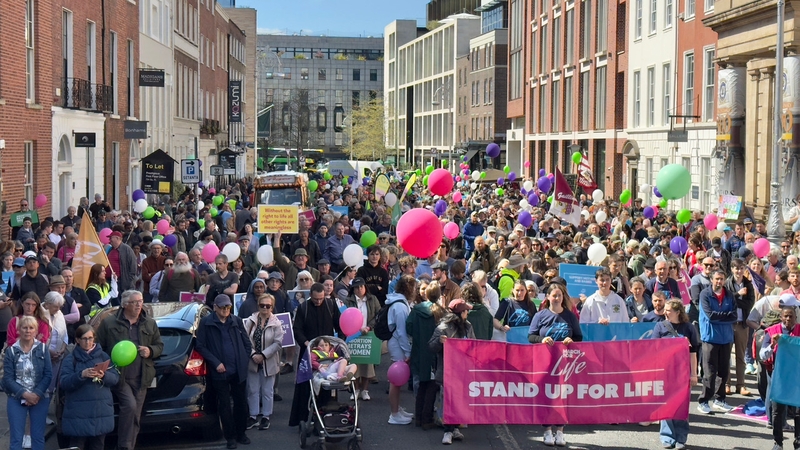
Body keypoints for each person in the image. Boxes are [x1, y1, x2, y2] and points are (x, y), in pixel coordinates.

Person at [95, 290, 163, 450]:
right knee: (130, 406)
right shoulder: (109, 323)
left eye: (141, 301)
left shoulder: (149, 323)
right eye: (135, 302)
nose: (139, 304)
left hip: (142, 377)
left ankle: (127, 446)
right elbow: (100, 348)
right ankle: (124, 446)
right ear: (125, 304)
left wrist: (150, 351)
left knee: (135, 416)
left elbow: (159, 346)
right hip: (120, 376)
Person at [527, 283, 581, 447]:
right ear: (548, 297)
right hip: (545, 362)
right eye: (554, 295)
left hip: (565, 363)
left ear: (563, 298)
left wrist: (571, 341)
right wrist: (542, 340)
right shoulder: (540, 315)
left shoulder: (570, 316)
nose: (557, 298)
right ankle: (547, 431)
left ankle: (560, 431)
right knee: (547, 396)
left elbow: (579, 337)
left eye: (559, 295)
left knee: (563, 397)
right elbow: (531, 336)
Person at [196, 294, 253, 449]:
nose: (225, 310)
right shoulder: (207, 323)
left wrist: (244, 358)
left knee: (241, 403)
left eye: (228, 307)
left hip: (237, 370)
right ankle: (230, 437)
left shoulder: (236, 320)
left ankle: (241, 433)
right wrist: (216, 363)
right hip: (220, 371)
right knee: (225, 405)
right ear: (215, 307)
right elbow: (200, 345)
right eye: (222, 307)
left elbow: (247, 343)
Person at [289, 283, 342, 427]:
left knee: (327, 384)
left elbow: (339, 324)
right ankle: (303, 417)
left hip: (327, 353)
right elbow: (297, 329)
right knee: (306, 387)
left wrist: (340, 344)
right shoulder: (303, 308)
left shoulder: (331, 305)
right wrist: (305, 343)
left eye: (321, 299)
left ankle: (327, 415)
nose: (318, 302)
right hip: (308, 352)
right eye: (315, 299)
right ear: (310, 296)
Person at [59, 324, 120, 450]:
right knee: (76, 445)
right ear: (77, 340)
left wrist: (104, 375)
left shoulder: (104, 356)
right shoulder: (71, 359)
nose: (88, 342)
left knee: (98, 445)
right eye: (84, 339)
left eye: (90, 338)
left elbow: (115, 379)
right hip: (78, 413)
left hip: (100, 411)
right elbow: (64, 382)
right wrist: (81, 375)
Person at [653, 300, 699, 450]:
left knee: (681, 405)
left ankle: (681, 438)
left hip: (683, 371)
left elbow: (693, 353)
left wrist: (694, 374)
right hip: (665, 371)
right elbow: (653, 350)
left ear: (678, 312)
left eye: (668, 310)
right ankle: (667, 437)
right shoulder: (660, 326)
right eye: (665, 310)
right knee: (666, 404)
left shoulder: (689, 328)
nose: (665, 312)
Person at [428, 299, 475, 445]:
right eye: (466, 310)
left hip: (463, 371)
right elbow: (431, 346)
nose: (468, 313)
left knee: (459, 401)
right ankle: (447, 431)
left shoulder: (468, 326)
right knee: (448, 401)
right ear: (460, 313)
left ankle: (454, 428)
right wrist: (439, 342)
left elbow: (473, 344)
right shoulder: (442, 328)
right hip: (447, 371)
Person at [3, 315, 52, 450]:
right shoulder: (11, 351)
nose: (28, 331)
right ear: (19, 330)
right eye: (25, 328)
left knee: (37, 438)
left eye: (31, 328)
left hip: (39, 398)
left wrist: (36, 394)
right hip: (16, 398)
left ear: (36, 331)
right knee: (16, 439)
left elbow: (48, 375)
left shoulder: (42, 349)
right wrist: (25, 394)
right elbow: (7, 379)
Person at [759, 306, 800, 450]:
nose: (788, 319)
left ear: (795, 317)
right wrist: (772, 345)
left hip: (797, 377)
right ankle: (778, 442)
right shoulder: (773, 331)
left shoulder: (799, 330)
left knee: (798, 412)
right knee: (777, 411)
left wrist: (789, 340)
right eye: (785, 316)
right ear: (781, 317)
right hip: (779, 377)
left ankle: (798, 442)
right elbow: (762, 355)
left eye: (791, 316)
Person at [696, 270, 737, 414]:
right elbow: (710, 316)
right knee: (709, 372)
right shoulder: (705, 295)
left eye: (721, 279)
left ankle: (720, 400)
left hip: (726, 338)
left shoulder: (730, 295)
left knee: (724, 371)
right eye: (716, 279)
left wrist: (723, 317)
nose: (719, 282)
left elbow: (734, 316)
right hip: (710, 338)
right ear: (712, 280)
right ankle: (704, 401)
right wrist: (725, 316)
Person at [242, 293, 284, 431]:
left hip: (269, 361)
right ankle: (253, 416)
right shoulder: (251, 320)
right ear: (258, 305)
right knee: (252, 389)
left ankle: (266, 416)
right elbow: (245, 339)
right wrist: (254, 354)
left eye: (268, 306)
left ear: (272, 307)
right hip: (253, 360)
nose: (265, 308)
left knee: (267, 390)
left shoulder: (276, 323)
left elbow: (278, 343)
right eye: (262, 305)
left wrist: (263, 355)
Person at [385, 275, 416, 425]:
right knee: (396, 379)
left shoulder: (399, 303)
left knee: (397, 380)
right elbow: (402, 332)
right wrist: (408, 352)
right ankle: (394, 413)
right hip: (397, 344)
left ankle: (397, 408)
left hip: (396, 342)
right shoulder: (400, 307)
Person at [343, 277, 380, 400]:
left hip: (368, 334)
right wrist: (356, 328)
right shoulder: (348, 301)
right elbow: (345, 316)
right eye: (357, 287)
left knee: (367, 363)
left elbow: (378, 315)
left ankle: (365, 390)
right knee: (354, 362)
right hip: (353, 335)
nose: (359, 289)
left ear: (365, 287)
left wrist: (369, 327)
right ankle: (356, 389)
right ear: (353, 289)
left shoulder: (372, 299)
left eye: (361, 286)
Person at [726, 259, 755, 396]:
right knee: (726, 355)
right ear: (732, 269)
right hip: (728, 324)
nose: (739, 271)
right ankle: (727, 384)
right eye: (736, 268)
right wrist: (738, 296)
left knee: (741, 356)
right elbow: (726, 301)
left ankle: (741, 385)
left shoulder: (748, 285)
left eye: (741, 268)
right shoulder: (727, 283)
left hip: (742, 324)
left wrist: (735, 301)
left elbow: (749, 304)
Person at [106, 231, 138, 297]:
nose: (109, 240)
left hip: (121, 283)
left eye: (111, 238)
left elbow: (133, 266)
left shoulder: (127, 249)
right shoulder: (110, 249)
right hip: (111, 281)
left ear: (117, 238)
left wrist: (127, 281)